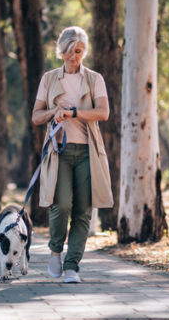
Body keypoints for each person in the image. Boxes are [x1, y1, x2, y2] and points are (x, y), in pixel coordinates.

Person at [32, 26, 113, 283]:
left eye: (78, 51)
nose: (74, 57)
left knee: (83, 210)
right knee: (61, 205)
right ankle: (55, 250)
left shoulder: (94, 79)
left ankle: (71, 267)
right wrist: (55, 110)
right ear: (61, 51)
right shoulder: (49, 79)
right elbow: (36, 117)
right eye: (69, 52)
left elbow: (103, 112)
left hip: (89, 151)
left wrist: (74, 113)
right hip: (60, 151)